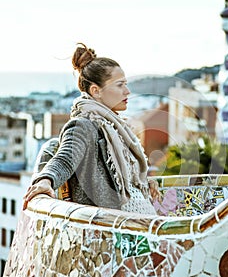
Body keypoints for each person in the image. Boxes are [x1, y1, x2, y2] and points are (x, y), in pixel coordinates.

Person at [23, 43, 160, 215]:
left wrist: (145, 182)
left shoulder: (116, 126)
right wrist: (45, 181)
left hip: (139, 225)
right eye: (120, 85)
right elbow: (64, 158)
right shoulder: (83, 125)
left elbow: (125, 176)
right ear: (96, 91)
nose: (127, 91)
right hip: (114, 230)